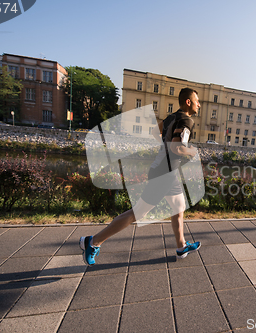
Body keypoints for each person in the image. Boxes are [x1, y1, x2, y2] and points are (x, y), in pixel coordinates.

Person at [80, 88, 201, 265]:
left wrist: (164, 150)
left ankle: (181, 246)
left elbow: (155, 132)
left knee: (178, 206)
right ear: (188, 102)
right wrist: (191, 151)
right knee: (137, 213)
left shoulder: (171, 118)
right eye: (197, 101)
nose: (199, 104)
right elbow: (177, 148)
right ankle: (92, 242)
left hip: (167, 172)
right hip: (164, 173)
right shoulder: (186, 120)